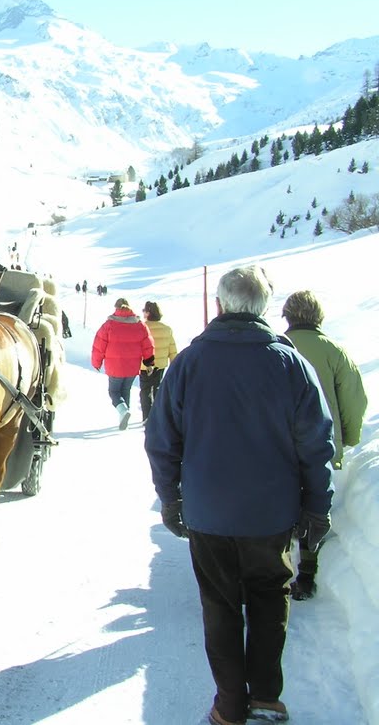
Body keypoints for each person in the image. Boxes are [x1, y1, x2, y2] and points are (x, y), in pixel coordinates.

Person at [145, 265, 335, 725]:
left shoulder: (189, 362)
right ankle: (267, 695)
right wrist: (317, 506)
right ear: (265, 308)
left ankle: (230, 704)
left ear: (220, 306)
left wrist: (170, 497)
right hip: (272, 514)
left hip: (208, 513)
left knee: (220, 605)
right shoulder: (292, 365)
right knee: (271, 599)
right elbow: (316, 443)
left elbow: (161, 438)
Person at [281, 289, 367, 601]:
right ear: (319, 316)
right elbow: (354, 401)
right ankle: (308, 572)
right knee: (314, 501)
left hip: (281, 445)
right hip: (324, 443)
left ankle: (280, 564)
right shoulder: (334, 351)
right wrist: (349, 438)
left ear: (287, 315)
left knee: (283, 501)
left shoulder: (275, 348)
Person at [90, 297, 155, 430]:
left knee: (114, 392)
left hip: (115, 367)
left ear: (116, 308)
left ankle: (124, 412)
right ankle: (124, 416)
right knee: (126, 390)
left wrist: (96, 363)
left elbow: (99, 345)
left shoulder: (109, 325)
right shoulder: (139, 324)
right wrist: (149, 362)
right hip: (132, 367)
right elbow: (147, 345)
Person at [139, 300, 178, 423]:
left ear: (148, 312)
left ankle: (146, 416)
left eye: (144, 310)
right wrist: (174, 364)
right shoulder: (167, 329)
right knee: (157, 388)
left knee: (145, 390)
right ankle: (157, 415)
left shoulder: (141, 327)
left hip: (145, 364)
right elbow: (172, 349)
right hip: (160, 365)